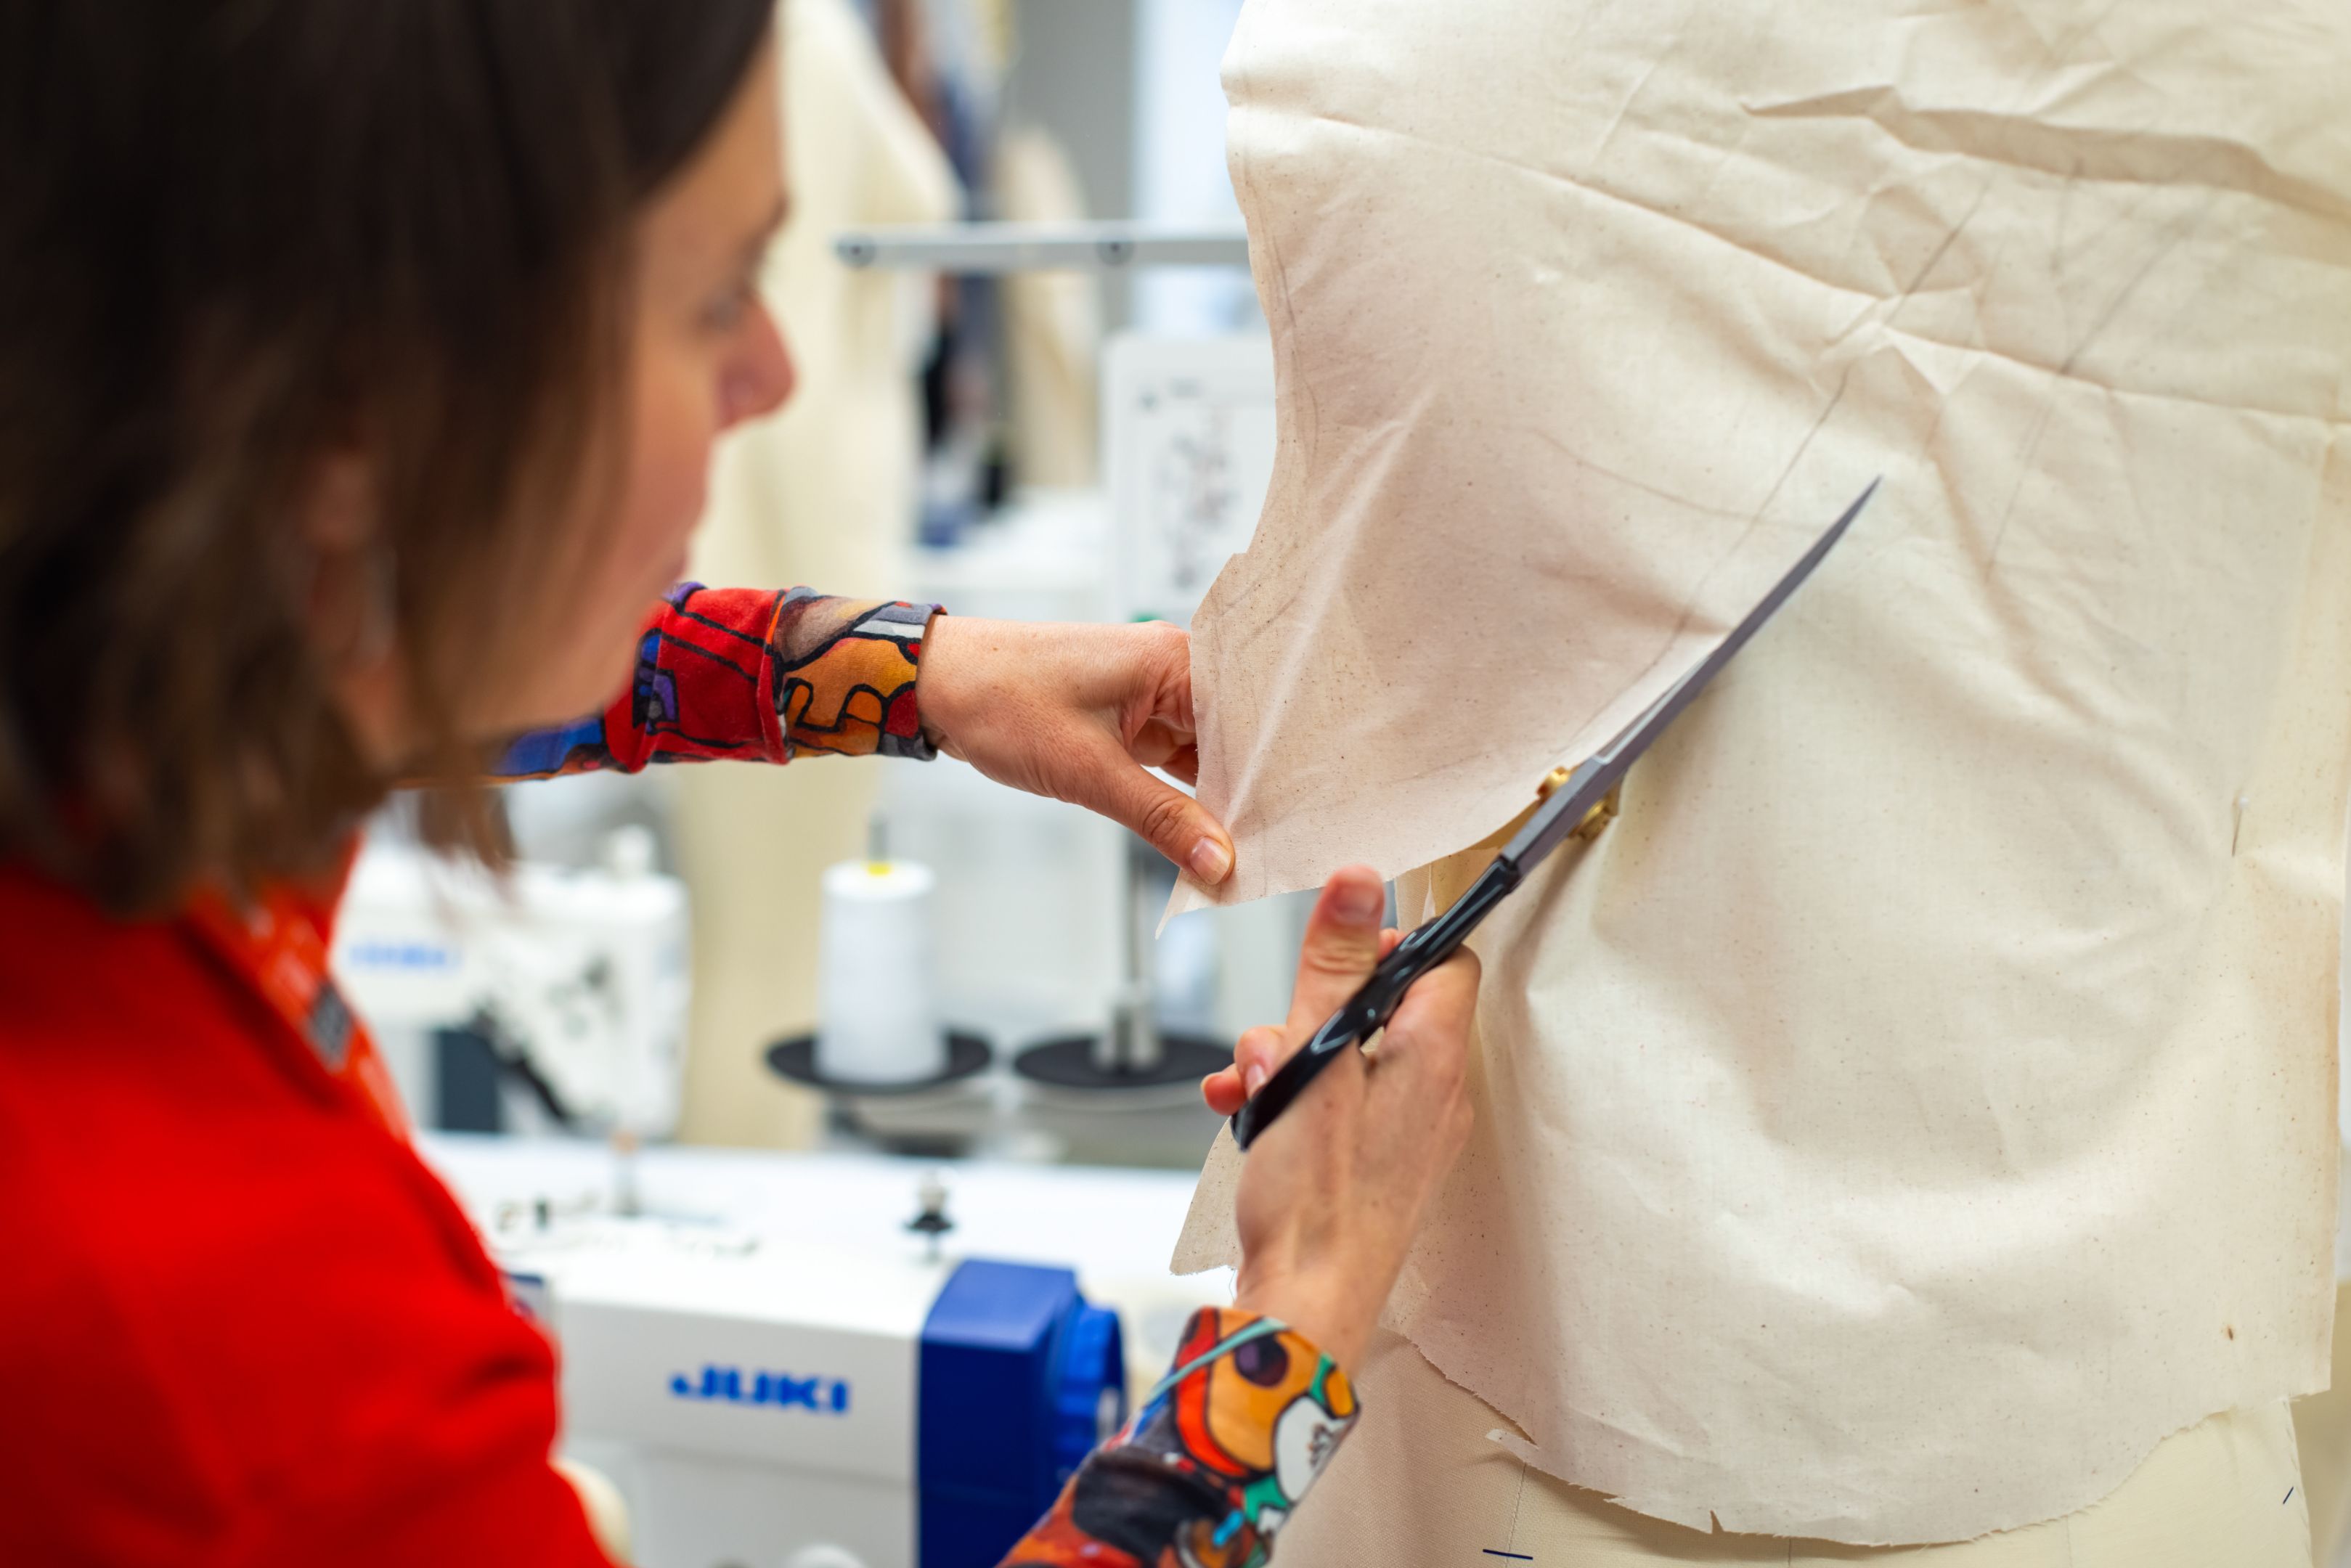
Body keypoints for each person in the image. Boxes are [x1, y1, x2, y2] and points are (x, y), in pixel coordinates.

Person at [0, 5, 1481, 1564]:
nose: (771, 374)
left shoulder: (94, 720)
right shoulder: (253, 1356)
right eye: (715, 301)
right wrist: (1290, 1330)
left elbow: (351, 680)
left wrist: (916, 674)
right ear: (361, 405)